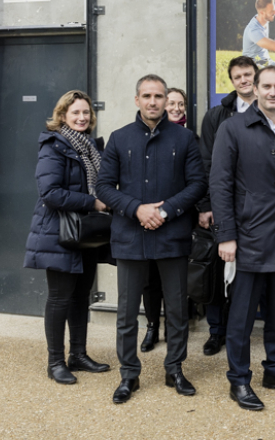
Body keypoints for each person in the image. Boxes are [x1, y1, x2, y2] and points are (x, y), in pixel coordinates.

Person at [97, 74, 207, 404]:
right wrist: (137, 209)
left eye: (159, 96)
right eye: (147, 95)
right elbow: (103, 187)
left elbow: (197, 184)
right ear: (137, 100)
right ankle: (129, 374)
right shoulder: (119, 138)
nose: (153, 102)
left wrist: (166, 211)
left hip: (172, 236)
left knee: (176, 310)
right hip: (130, 237)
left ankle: (175, 369)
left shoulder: (185, 138)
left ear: (165, 100)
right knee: (127, 313)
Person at [210, 66, 275, 411]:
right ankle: (239, 380)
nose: (272, 92)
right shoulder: (233, 128)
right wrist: (226, 235)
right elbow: (220, 185)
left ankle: (274, 369)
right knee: (240, 316)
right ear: (254, 89)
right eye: (266, 86)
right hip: (249, 236)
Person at [24, 90, 112, 385]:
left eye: (85, 112)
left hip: (85, 234)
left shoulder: (90, 147)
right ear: (62, 115)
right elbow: (50, 193)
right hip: (59, 233)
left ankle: (78, 355)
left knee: (80, 297)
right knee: (60, 298)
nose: (82, 117)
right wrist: (94, 203)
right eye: (75, 112)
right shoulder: (54, 145)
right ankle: (55, 361)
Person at [197, 56, 259, 356]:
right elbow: (207, 163)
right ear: (232, 81)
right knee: (219, 271)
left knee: (250, 277)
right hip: (223, 205)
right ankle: (216, 332)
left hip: (258, 210)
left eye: (248, 74)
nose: (244, 80)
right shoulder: (216, 116)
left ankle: (248, 332)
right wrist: (207, 205)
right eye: (238, 76)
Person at [140, 86, 190, 353]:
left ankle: (174, 328)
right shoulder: (141, 135)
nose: (175, 108)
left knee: (176, 283)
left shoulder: (188, 137)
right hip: (147, 220)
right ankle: (151, 326)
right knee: (150, 280)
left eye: (180, 104)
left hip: (177, 217)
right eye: (171, 103)